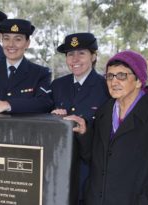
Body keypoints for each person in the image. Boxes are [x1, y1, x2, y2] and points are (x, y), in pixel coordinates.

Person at [65, 50, 148, 205]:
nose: (114, 82)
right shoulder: (104, 111)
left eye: (122, 76)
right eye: (110, 76)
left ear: (139, 80)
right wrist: (85, 133)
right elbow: (96, 159)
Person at [50, 32, 110, 204]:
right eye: (70, 54)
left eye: (81, 53)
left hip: (90, 172)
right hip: (59, 168)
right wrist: (52, 117)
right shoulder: (58, 86)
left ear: (93, 56)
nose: (75, 59)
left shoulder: (105, 87)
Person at [0, 19, 52, 114]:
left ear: (27, 43)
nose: (11, 44)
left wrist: (7, 104)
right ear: (2, 41)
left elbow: (44, 103)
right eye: (6, 38)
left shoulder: (40, 73)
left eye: (18, 39)